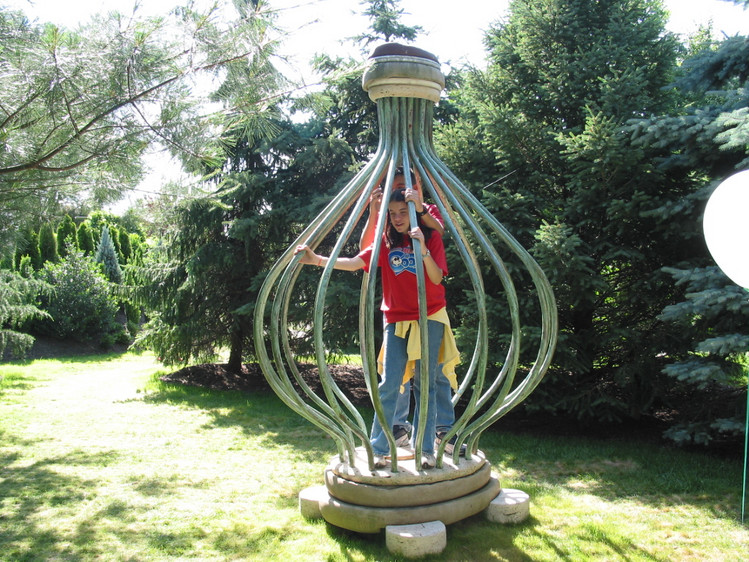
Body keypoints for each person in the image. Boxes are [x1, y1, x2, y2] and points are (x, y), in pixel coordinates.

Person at [295, 188, 459, 469]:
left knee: (426, 384)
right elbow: (356, 262)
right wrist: (318, 260)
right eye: (392, 213)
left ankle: (425, 449)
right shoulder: (385, 242)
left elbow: (436, 278)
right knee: (389, 383)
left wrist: (422, 250)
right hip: (396, 319)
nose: (398, 218)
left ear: (414, 211)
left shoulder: (430, 237)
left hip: (429, 317)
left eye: (403, 212)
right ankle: (379, 448)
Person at [359, 169, 462, 457]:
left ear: (417, 187)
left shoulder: (425, 215)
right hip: (398, 314)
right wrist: (375, 211)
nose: (403, 189)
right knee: (395, 377)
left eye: (407, 185)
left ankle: (438, 435)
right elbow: (365, 253)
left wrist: (419, 210)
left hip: (429, 313)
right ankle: (394, 431)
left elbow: (438, 233)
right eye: (397, 185)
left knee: (432, 377)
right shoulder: (389, 221)